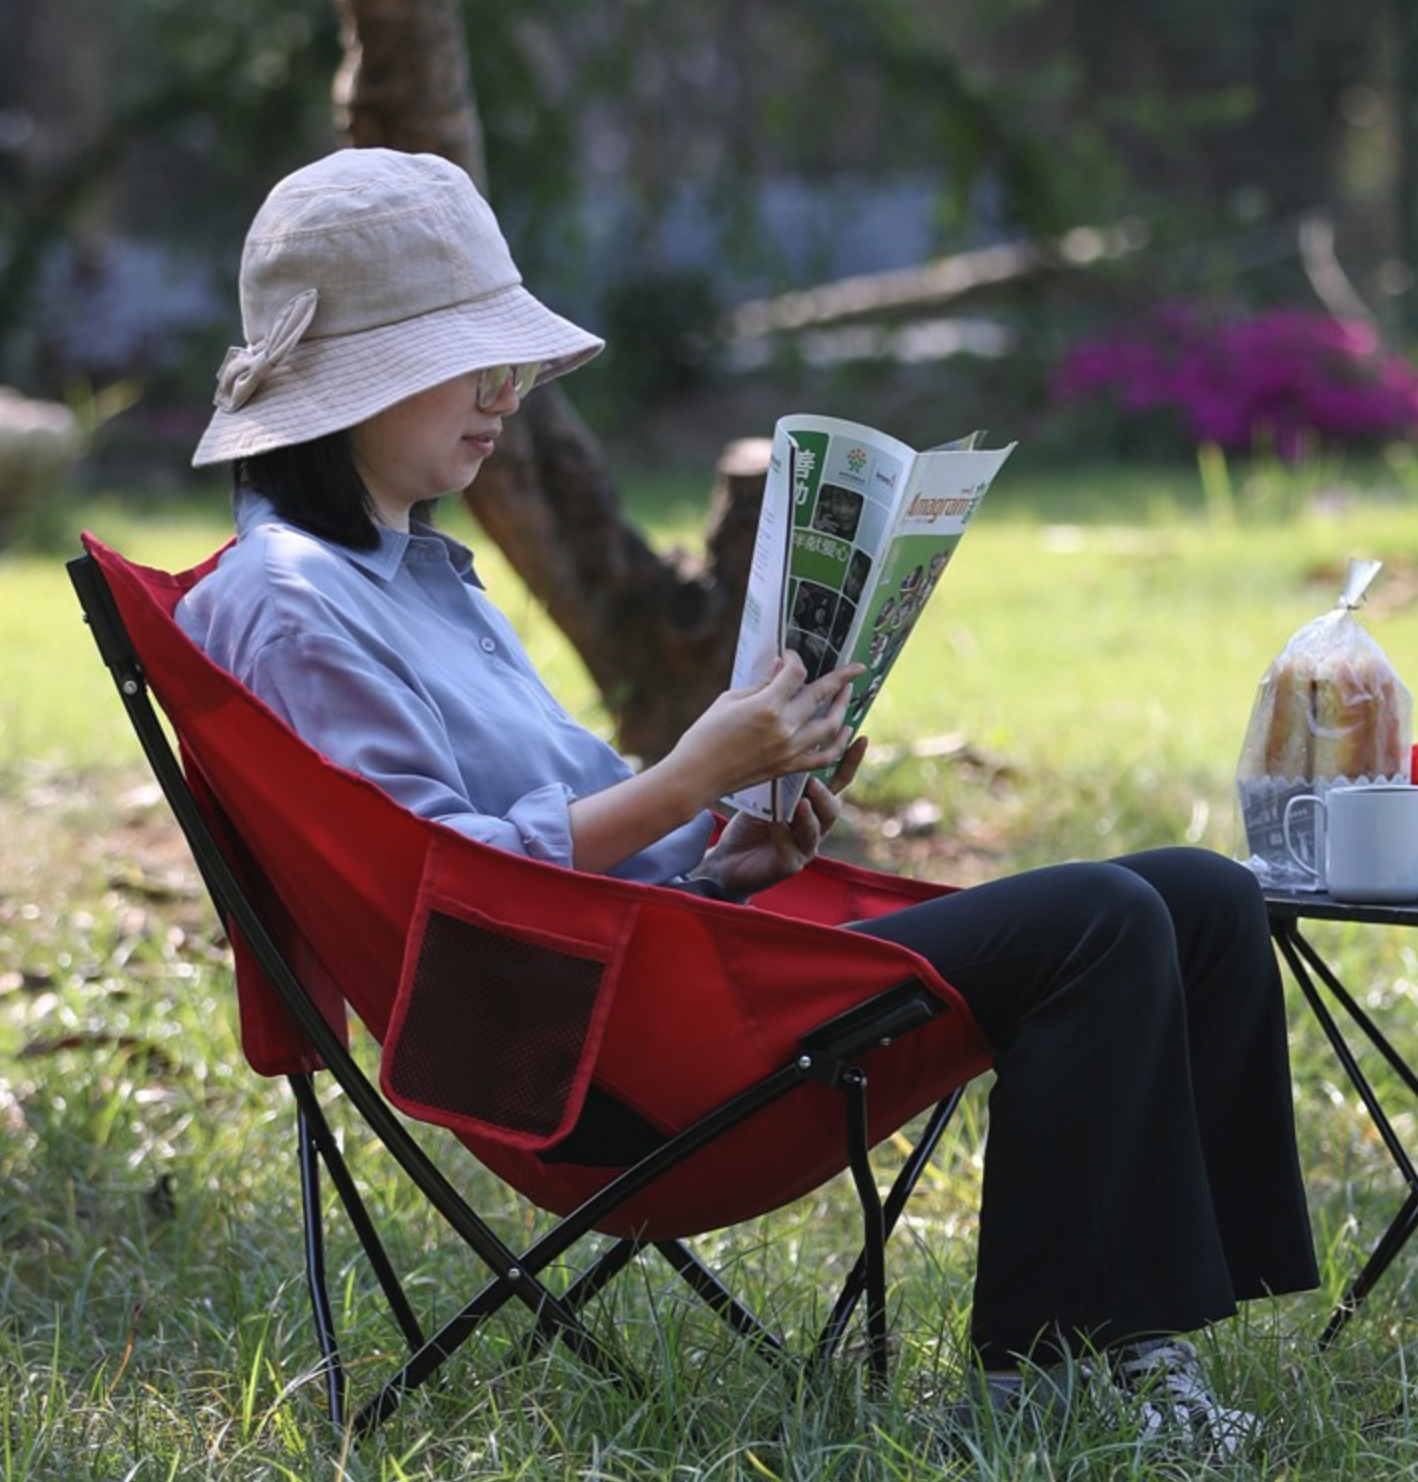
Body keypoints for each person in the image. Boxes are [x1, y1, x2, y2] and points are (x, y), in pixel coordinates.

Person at [176, 148, 1317, 1454]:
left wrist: (727, 850)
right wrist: (689, 773)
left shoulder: (414, 572)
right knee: (1105, 921)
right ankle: (1040, 1382)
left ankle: (1138, 1346)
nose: (509, 393)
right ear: (352, 384)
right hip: (587, 1059)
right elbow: (441, 888)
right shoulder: (289, 604)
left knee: (1203, 895)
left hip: (654, 966)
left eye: (510, 358)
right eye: (467, 359)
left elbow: (559, 830)